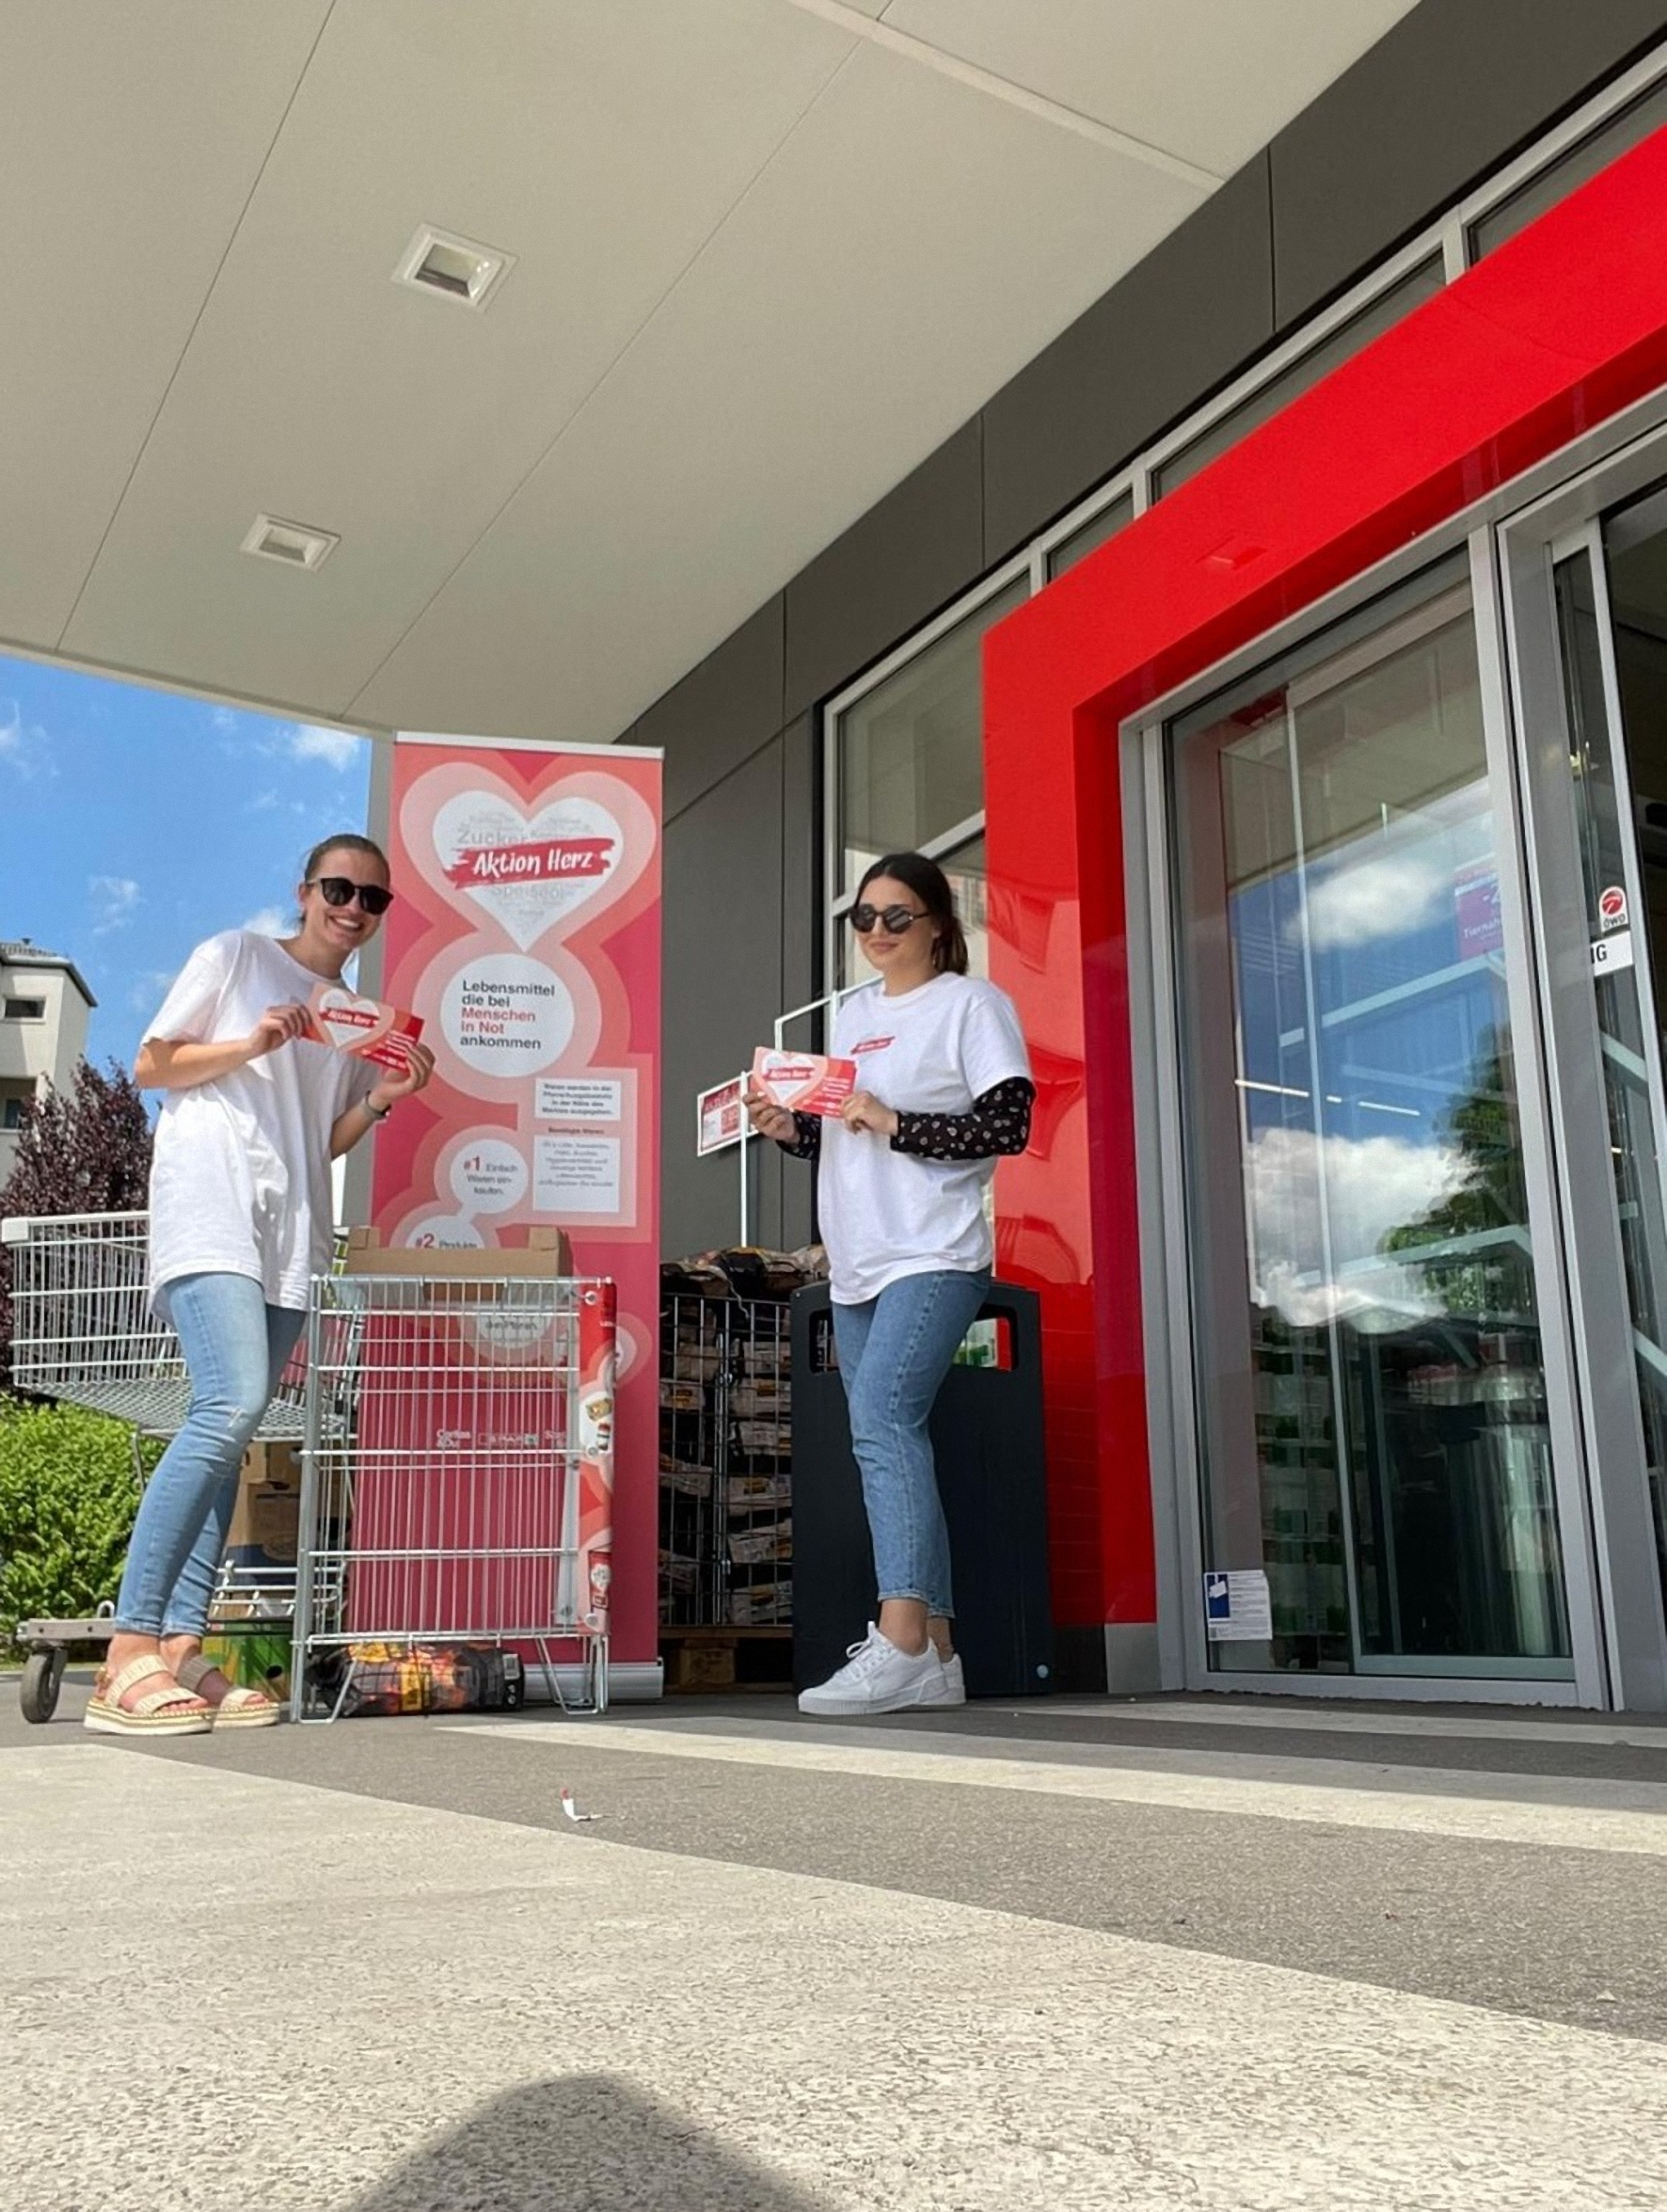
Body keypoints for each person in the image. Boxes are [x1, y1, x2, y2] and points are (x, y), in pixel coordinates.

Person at [86, 834, 435, 1736]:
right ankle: (126, 1651)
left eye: (372, 898)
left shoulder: (357, 1015)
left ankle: (181, 1649)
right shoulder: (237, 957)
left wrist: (385, 1096)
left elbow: (320, 1138)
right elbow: (154, 1065)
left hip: (293, 1232)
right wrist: (250, 1041)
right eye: (338, 887)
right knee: (230, 1403)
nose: (353, 907)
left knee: (234, 1427)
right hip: (213, 1205)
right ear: (305, 889)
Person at [746, 851, 1033, 1717]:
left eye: (896, 916)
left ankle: (902, 1636)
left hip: (934, 1251)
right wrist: (788, 1130)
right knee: (885, 1432)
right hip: (859, 1260)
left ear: (939, 924)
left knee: (883, 1421)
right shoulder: (851, 1014)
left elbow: (1008, 1122)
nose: (876, 931)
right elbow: (844, 1139)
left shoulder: (972, 1005)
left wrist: (892, 1117)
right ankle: (939, 1652)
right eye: (862, 918)